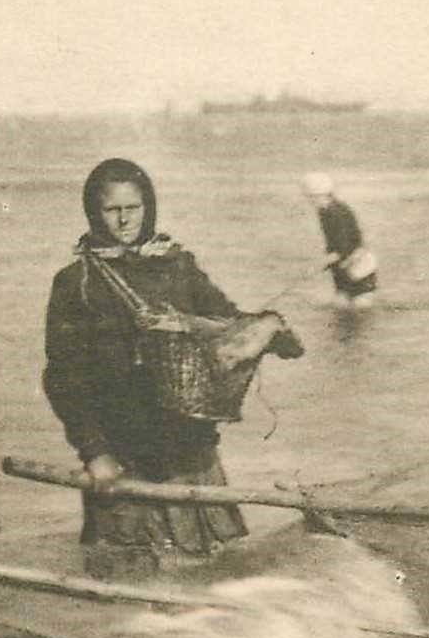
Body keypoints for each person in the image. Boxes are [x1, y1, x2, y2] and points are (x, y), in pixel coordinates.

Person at [44, 158, 303, 581]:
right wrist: (94, 452)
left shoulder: (177, 265)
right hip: (123, 454)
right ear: (94, 211)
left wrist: (270, 332)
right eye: (112, 210)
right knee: (129, 581)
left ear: (148, 207)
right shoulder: (77, 283)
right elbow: (63, 377)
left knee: (218, 577)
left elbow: (225, 321)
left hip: (190, 449)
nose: (124, 220)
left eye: (134, 207)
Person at [302, 172, 378, 308]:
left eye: (311, 197)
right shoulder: (323, 211)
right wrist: (325, 264)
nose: (310, 201)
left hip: (359, 265)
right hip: (342, 266)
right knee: (340, 306)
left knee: (360, 308)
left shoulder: (337, 213)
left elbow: (343, 248)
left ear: (323, 194)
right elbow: (332, 244)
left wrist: (318, 265)